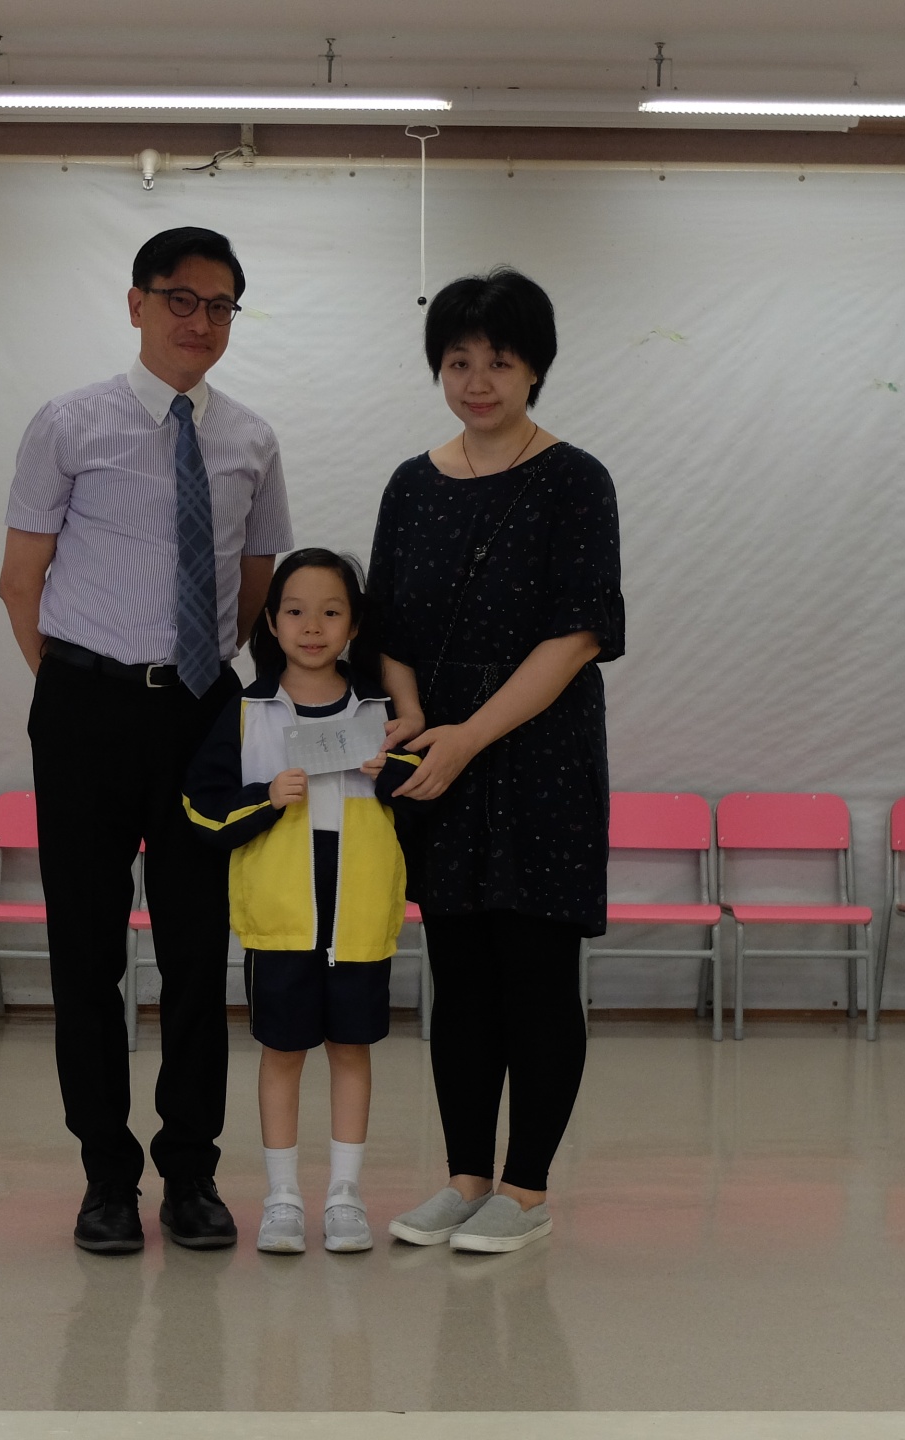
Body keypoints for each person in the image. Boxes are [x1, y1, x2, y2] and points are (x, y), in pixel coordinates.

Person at [0, 227, 293, 1254]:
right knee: (86, 958)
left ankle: (193, 1174)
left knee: (197, 957)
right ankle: (105, 1179)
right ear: (136, 304)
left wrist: (199, 680)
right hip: (86, 708)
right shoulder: (67, 424)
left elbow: (257, 582)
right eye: (180, 299)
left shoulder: (252, 439)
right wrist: (77, 691)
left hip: (202, 718)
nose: (199, 321)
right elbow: (20, 582)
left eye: (219, 306)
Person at [365, 267, 624, 1254]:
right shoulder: (411, 483)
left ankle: (526, 1189)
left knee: (537, 976)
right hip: (438, 757)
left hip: (539, 750)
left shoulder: (576, 480)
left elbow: (579, 634)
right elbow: (385, 625)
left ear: (536, 370)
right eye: (458, 362)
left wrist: (472, 733)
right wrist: (414, 714)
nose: (477, 382)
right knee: (459, 977)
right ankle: (465, 1178)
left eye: (499, 362)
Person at [181, 550, 420, 1254]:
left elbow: (426, 789)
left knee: (352, 1049)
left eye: (331, 612)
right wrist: (264, 798)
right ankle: (282, 1197)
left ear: (354, 625)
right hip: (280, 920)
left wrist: (390, 769)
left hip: (359, 918)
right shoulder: (247, 710)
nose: (312, 627)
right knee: (282, 1053)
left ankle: (345, 1195)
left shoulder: (382, 711)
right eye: (295, 611)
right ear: (271, 621)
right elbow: (201, 808)